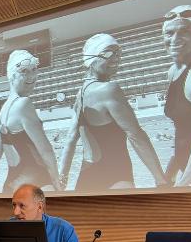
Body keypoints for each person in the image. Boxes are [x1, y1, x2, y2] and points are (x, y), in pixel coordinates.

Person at [59, 34, 166, 190]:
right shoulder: (109, 89)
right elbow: (136, 135)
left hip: (86, 179)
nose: (116, 58)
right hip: (116, 175)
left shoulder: (81, 93)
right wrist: (160, 179)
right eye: (108, 52)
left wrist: (62, 178)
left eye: (118, 53)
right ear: (91, 59)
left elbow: (70, 138)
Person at [0, 50, 61, 194]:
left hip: (11, 184)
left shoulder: (4, 110)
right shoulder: (24, 104)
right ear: (12, 76)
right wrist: (56, 181)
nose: (31, 76)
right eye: (24, 71)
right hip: (37, 181)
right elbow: (46, 150)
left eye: (33, 70)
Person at [161, 5, 191, 186]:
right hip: (187, 167)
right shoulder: (173, 71)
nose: (175, 39)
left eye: (184, 31)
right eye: (169, 33)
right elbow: (184, 129)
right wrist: (173, 167)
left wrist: (181, 186)